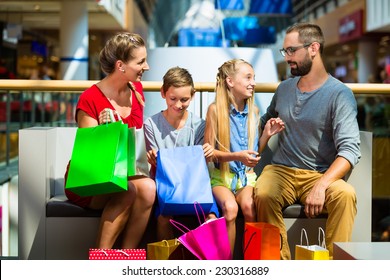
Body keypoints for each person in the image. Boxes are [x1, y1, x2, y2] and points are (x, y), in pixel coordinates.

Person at [253, 23, 361, 259]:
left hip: (320, 173)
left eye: (291, 51)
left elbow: (350, 151)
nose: (287, 57)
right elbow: (262, 121)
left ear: (313, 48)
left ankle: (336, 266)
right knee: (263, 194)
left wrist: (321, 185)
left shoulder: (339, 94)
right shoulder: (284, 89)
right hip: (281, 170)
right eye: (285, 52)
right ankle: (280, 267)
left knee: (345, 195)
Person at [64, 32, 156, 249]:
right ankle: (100, 259)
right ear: (121, 65)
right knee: (129, 191)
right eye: (141, 62)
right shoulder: (90, 98)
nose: (147, 67)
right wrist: (106, 128)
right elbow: (93, 157)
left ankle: (127, 256)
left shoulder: (137, 89)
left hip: (123, 172)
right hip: (89, 180)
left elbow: (133, 143)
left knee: (149, 188)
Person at [204, 59, 285, 254]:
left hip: (245, 178)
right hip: (221, 178)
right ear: (230, 81)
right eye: (248, 77)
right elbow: (208, 154)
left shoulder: (254, 112)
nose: (253, 83)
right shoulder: (214, 111)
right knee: (230, 209)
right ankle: (226, 263)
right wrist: (236, 156)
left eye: (254, 78)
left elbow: (253, 154)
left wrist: (266, 134)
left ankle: (252, 262)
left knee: (249, 206)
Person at [143, 66, 219, 241]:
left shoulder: (200, 124)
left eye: (184, 99)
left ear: (192, 96)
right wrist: (154, 159)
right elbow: (157, 166)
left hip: (194, 186)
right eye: (173, 99)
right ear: (163, 93)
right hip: (167, 187)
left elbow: (200, 166)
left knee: (211, 217)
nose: (178, 105)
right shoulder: (151, 124)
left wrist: (207, 153)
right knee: (164, 218)